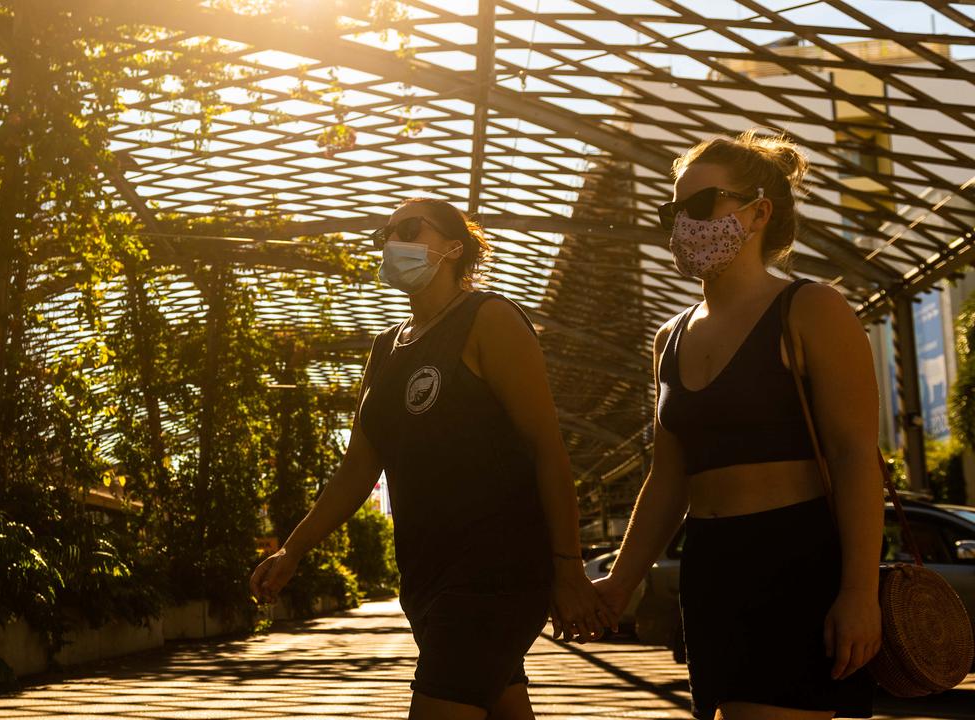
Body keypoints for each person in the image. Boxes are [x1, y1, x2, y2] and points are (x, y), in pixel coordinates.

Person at [250, 197, 614, 720]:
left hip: (494, 571)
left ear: (453, 246)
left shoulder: (488, 319)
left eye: (409, 228)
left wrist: (568, 567)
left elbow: (546, 449)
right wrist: (294, 549)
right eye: (386, 233)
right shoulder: (385, 349)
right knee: (504, 706)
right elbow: (358, 468)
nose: (392, 241)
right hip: (426, 578)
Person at [593, 129, 883, 720]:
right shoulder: (669, 338)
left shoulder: (810, 309)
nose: (683, 223)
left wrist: (858, 592)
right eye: (674, 210)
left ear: (758, 213)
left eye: (702, 205)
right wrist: (619, 583)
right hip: (710, 566)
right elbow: (668, 478)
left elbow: (856, 456)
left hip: (794, 559)